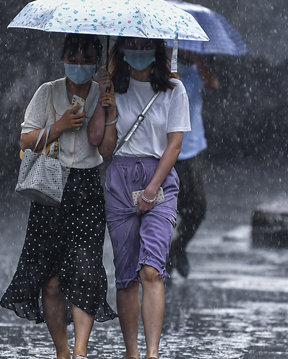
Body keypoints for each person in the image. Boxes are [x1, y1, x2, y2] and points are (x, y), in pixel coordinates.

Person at [1, 34, 117, 359]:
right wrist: (60, 125)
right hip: (51, 188)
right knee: (50, 280)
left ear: (96, 61)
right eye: (73, 58)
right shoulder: (47, 92)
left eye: (85, 60)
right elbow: (26, 140)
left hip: (87, 190)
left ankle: (81, 350)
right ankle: (62, 351)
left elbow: (106, 148)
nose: (78, 66)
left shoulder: (101, 93)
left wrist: (108, 104)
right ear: (63, 57)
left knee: (86, 270)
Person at [97, 37, 190, 359]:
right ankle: (132, 353)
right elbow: (105, 149)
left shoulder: (174, 90)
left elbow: (174, 145)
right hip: (120, 178)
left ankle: (153, 353)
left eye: (144, 44)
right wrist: (104, 101)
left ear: (156, 48)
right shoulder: (113, 90)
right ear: (121, 49)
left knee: (151, 268)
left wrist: (152, 188)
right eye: (131, 44)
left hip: (160, 179)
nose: (138, 51)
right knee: (125, 275)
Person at [168, 50, 219, 278]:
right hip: (167, 149)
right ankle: (163, 259)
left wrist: (198, 61)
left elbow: (213, 85)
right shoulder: (165, 71)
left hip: (193, 148)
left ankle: (178, 247)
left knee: (198, 207)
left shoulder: (197, 71)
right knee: (169, 207)